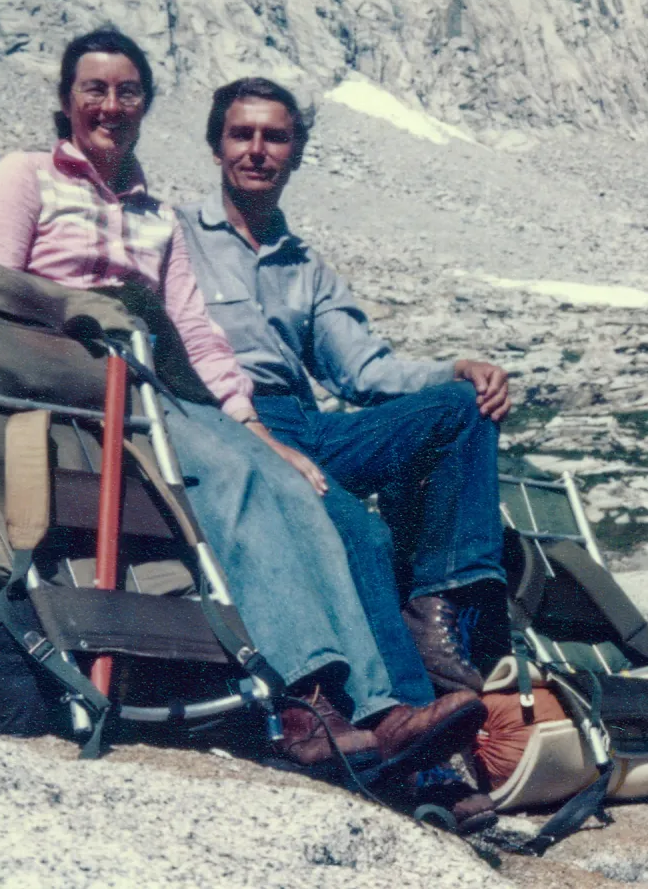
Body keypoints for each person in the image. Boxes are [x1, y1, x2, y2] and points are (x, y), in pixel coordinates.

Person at [0, 27, 484, 778]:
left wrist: (257, 430)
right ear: (66, 99)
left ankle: (379, 708)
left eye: (127, 91)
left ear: (144, 104)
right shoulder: (26, 177)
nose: (111, 105)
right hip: (69, 386)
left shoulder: (156, 216)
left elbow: (199, 335)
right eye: (94, 89)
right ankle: (304, 702)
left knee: (295, 490)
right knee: (236, 486)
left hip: (157, 385)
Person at [178, 77, 511, 694]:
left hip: (308, 423)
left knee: (461, 409)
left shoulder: (304, 264)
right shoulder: (178, 238)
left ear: (296, 153)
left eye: (275, 137)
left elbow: (364, 371)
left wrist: (453, 369)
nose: (257, 149)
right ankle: (407, 710)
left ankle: (436, 612)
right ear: (216, 145)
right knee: (360, 530)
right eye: (241, 134)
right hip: (233, 425)